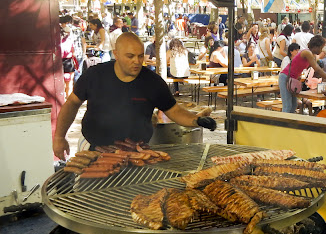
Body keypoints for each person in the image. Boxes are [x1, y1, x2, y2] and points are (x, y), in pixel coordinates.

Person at [52, 33, 216, 159]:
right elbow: (72, 103)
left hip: (137, 150)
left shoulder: (153, 82)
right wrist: (60, 137)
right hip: (95, 147)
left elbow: (174, 111)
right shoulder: (95, 75)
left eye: (139, 56)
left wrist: (196, 120)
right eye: (130, 56)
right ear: (116, 54)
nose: (137, 61)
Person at [279, 36, 326, 114]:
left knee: (293, 105)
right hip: (285, 77)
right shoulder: (307, 53)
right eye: (321, 48)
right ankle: (283, 124)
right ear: (316, 46)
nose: (321, 51)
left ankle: (289, 124)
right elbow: (317, 69)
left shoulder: (312, 55)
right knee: (287, 106)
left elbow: (316, 71)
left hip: (293, 79)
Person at [60, 25, 78, 100]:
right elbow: (73, 53)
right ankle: (68, 97)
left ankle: (62, 97)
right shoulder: (70, 41)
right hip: (69, 61)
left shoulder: (58, 42)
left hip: (61, 62)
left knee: (62, 81)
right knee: (70, 81)